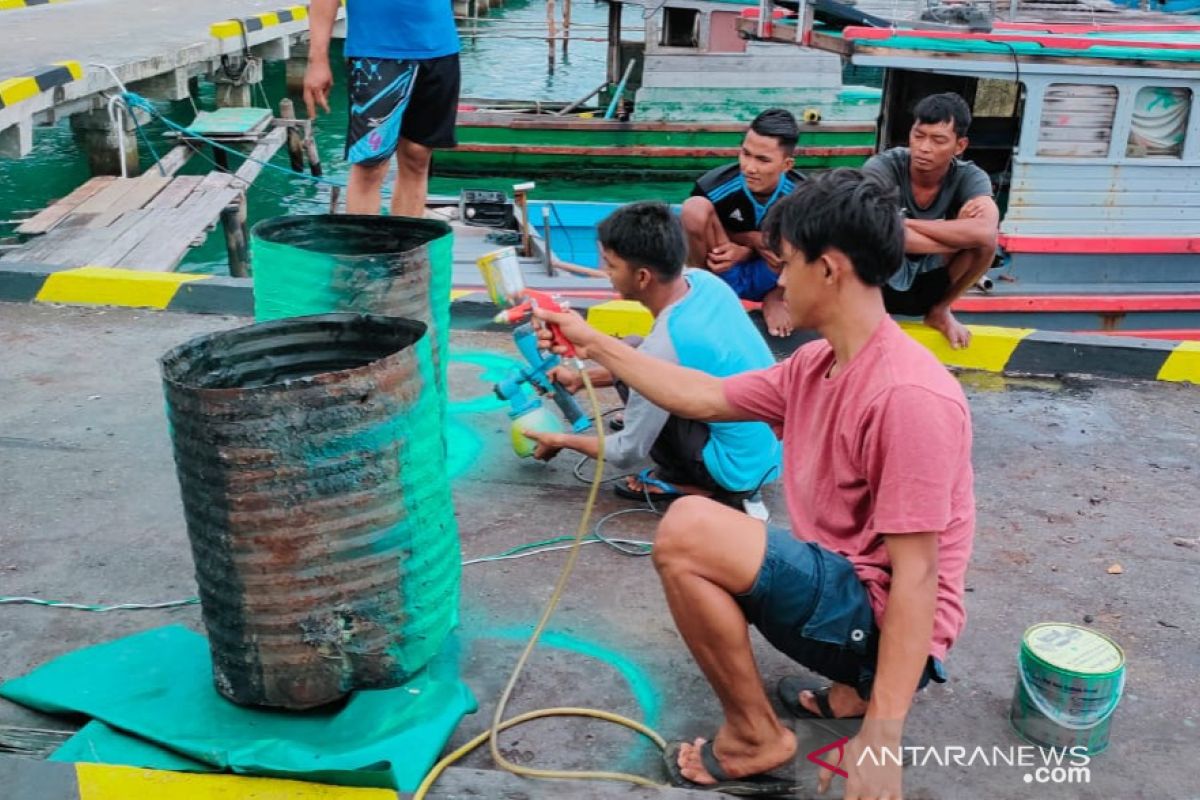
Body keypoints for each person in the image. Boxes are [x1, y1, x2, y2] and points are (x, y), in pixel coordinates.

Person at [533, 170, 975, 799]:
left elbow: (919, 576)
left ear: (830, 270)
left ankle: (758, 736)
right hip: (849, 590)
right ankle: (854, 688)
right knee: (728, 534)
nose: (778, 279)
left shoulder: (907, 396)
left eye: (786, 263)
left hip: (883, 620)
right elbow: (704, 395)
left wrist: (883, 739)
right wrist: (591, 341)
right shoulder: (819, 362)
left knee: (687, 532)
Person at [523, 202, 781, 511]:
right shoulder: (704, 283)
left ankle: (694, 484)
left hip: (734, 471)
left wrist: (561, 440)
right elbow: (657, 354)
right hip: (771, 451)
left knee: (641, 370)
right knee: (633, 348)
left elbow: (626, 452)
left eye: (611, 265)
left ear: (643, 277)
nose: (605, 273)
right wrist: (581, 379)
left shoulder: (666, 346)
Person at [863, 92, 999, 350]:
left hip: (933, 279)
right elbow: (882, 232)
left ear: (959, 146)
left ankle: (940, 311)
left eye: (938, 140)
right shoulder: (882, 167)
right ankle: (866, 315)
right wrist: (955, 238)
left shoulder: (970, 176)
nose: (924, 148)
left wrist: (907, 224)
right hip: (879, 278)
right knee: (857, 232)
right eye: (918, 135)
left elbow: (984, 231)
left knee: (986, 245)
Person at [304, 0, 460, 216]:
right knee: (370, 164)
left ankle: (406, 244)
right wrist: (317, 59)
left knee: (418, 156)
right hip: (375, 54)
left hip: (440, 49)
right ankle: (364, 247)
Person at [681, 108, 804, 338]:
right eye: (745, 154)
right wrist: (749, 242)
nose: (749, 167)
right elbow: (696, 229)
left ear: (787, 165)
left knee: (807, 230)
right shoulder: (714, 186)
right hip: (722, 267)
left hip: (775, 276)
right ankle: (702, 290)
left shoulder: (802, 194)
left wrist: (754, 252)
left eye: (762, 160)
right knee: (693, 209)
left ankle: (775, 298)